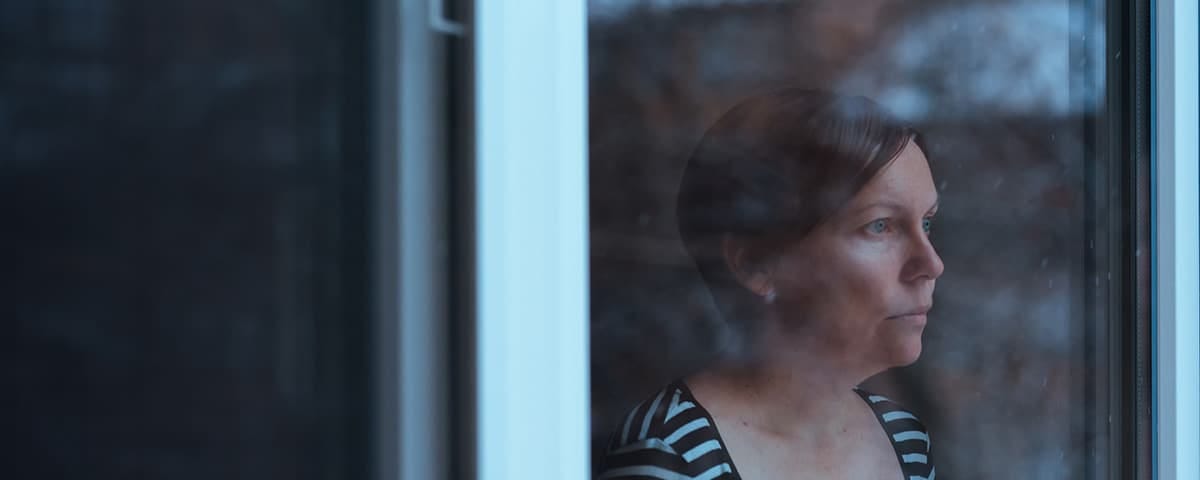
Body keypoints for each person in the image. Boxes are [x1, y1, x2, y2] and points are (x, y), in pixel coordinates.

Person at [597, 89, 943, 480]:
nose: (931, 263)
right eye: (879, 226)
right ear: (756, 265)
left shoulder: (903, 441)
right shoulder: (672, 456)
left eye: (927, 223)